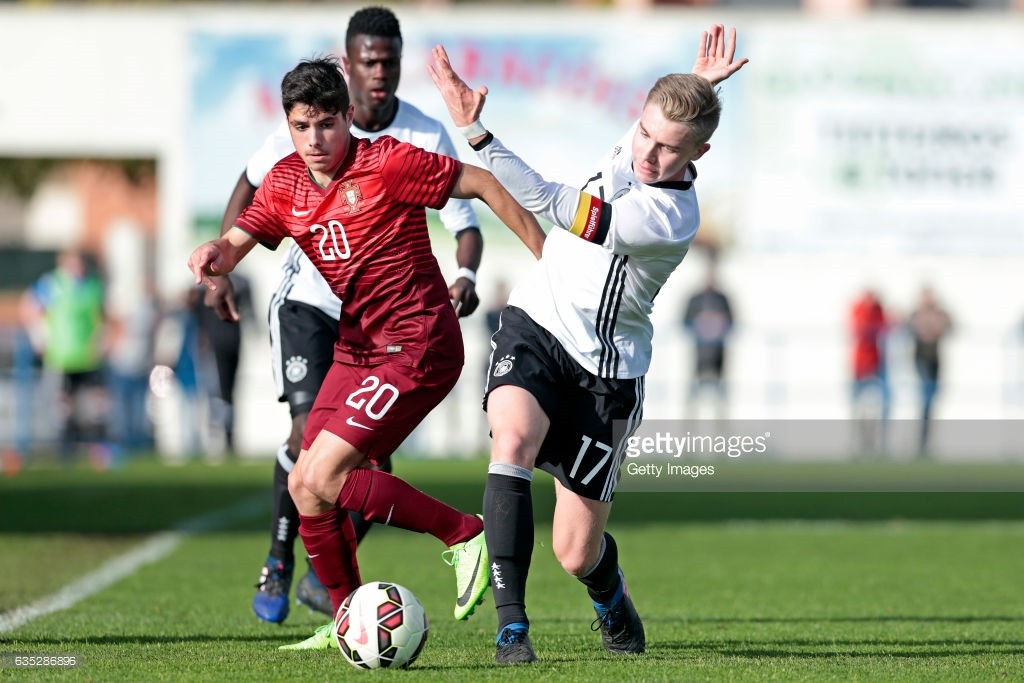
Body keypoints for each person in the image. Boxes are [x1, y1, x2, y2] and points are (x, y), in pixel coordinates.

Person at [188, 55, 546, 650]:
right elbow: (234, 243)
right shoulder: (282, 181)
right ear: (289, 123)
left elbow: (480, 184)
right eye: (302, 126)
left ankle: (463, 534)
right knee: (305, 483)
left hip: (420, 343)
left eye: (327, 123)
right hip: (358, 347)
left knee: (328, 474)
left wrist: (547, 264)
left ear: (348, 116)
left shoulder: (387, 164)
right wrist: (214, 257)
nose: (315, 139)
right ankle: (347, 618)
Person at [428, 24, 747, 663]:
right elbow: (670, 119)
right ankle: (512, 627)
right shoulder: (645, 138)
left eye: (669, 151)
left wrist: (477, 134)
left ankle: (609, 598)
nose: (647, 156)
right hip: (537, 322)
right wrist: (699, 85)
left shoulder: (668, 218)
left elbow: (548, 201)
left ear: (698, 157)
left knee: (575, 551)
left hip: (606, 371)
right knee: (510, 439)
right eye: (646, 134)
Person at [20, 249, 109, 463]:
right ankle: (66, 448)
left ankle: (97, 446)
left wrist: (104, 338)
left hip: (88, 354)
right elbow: (29, 307)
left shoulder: (93, 285)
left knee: (96, 402)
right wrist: (39, 336)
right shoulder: (52, 284)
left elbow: (101, 315)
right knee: (63, 404)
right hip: (61, 355)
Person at [683, 264, 734, 419]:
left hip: (719, 357)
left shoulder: (723, 298)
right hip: (698, 357)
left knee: (721, 399)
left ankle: (722, 435)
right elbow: (685, 322)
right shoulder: (695, 298)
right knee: (693, 398)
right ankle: (689, 434)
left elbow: (731, 322)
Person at [907, 286, 952, 455]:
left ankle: (926, 442)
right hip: (921, 360)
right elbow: (909, 327)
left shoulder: (939, 313)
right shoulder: (916, 313)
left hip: (935, 360)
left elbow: (950, 325)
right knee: (924, 399)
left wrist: (937, 325)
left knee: (932, 400)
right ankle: (920, 443)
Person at [849, 288, 890, 454]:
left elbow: (885, 329)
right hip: (860, 366)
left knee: (876, 407)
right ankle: (861, 445)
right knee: (860, 407)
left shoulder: (880, 311)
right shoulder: (859, 309)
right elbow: (861, 330)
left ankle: (876, 445)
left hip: (877, 365)